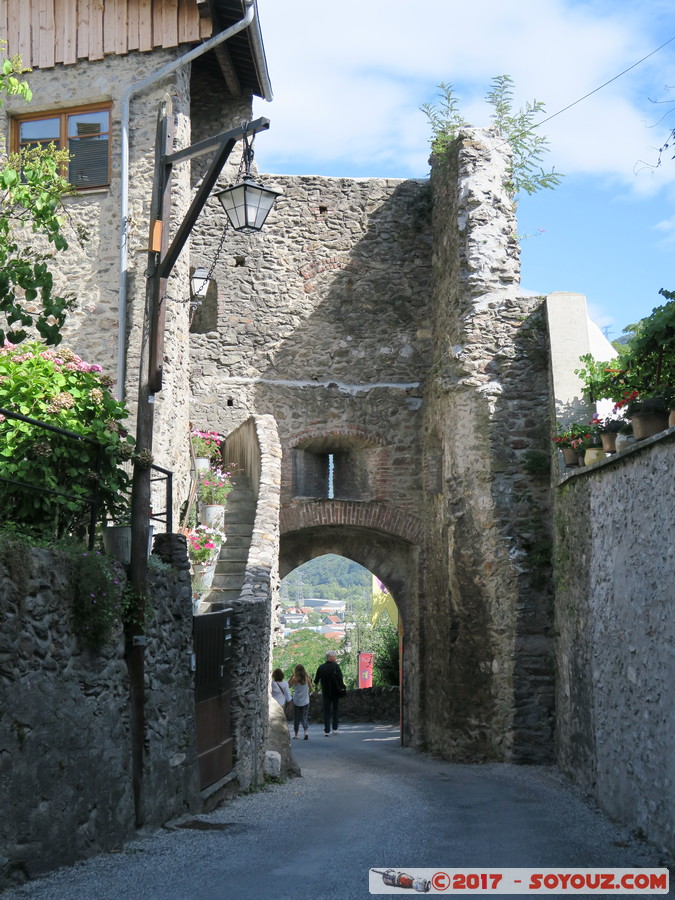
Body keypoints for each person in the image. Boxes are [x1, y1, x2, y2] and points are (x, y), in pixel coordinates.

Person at [314, 650, 346, 736]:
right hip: (335, 691)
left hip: (326, 692)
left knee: (327, 711)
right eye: (335, 656)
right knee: (335, 710)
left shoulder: (321, 667)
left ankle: (326, 730)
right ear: (330, 657)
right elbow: (340, 678)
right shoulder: (336, 666)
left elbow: (316, 680)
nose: (336, 658)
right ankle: (335, 729)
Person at [288, 664, 313, 740]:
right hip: (305, 701)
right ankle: (306, 732)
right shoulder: (307, 679)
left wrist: (292, 676)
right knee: (304, 717)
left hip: (297, 701)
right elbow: (310, 688)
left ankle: (296, 734)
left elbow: (288, 686)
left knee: (297, 718)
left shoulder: (295, 679)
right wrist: (307, 694)